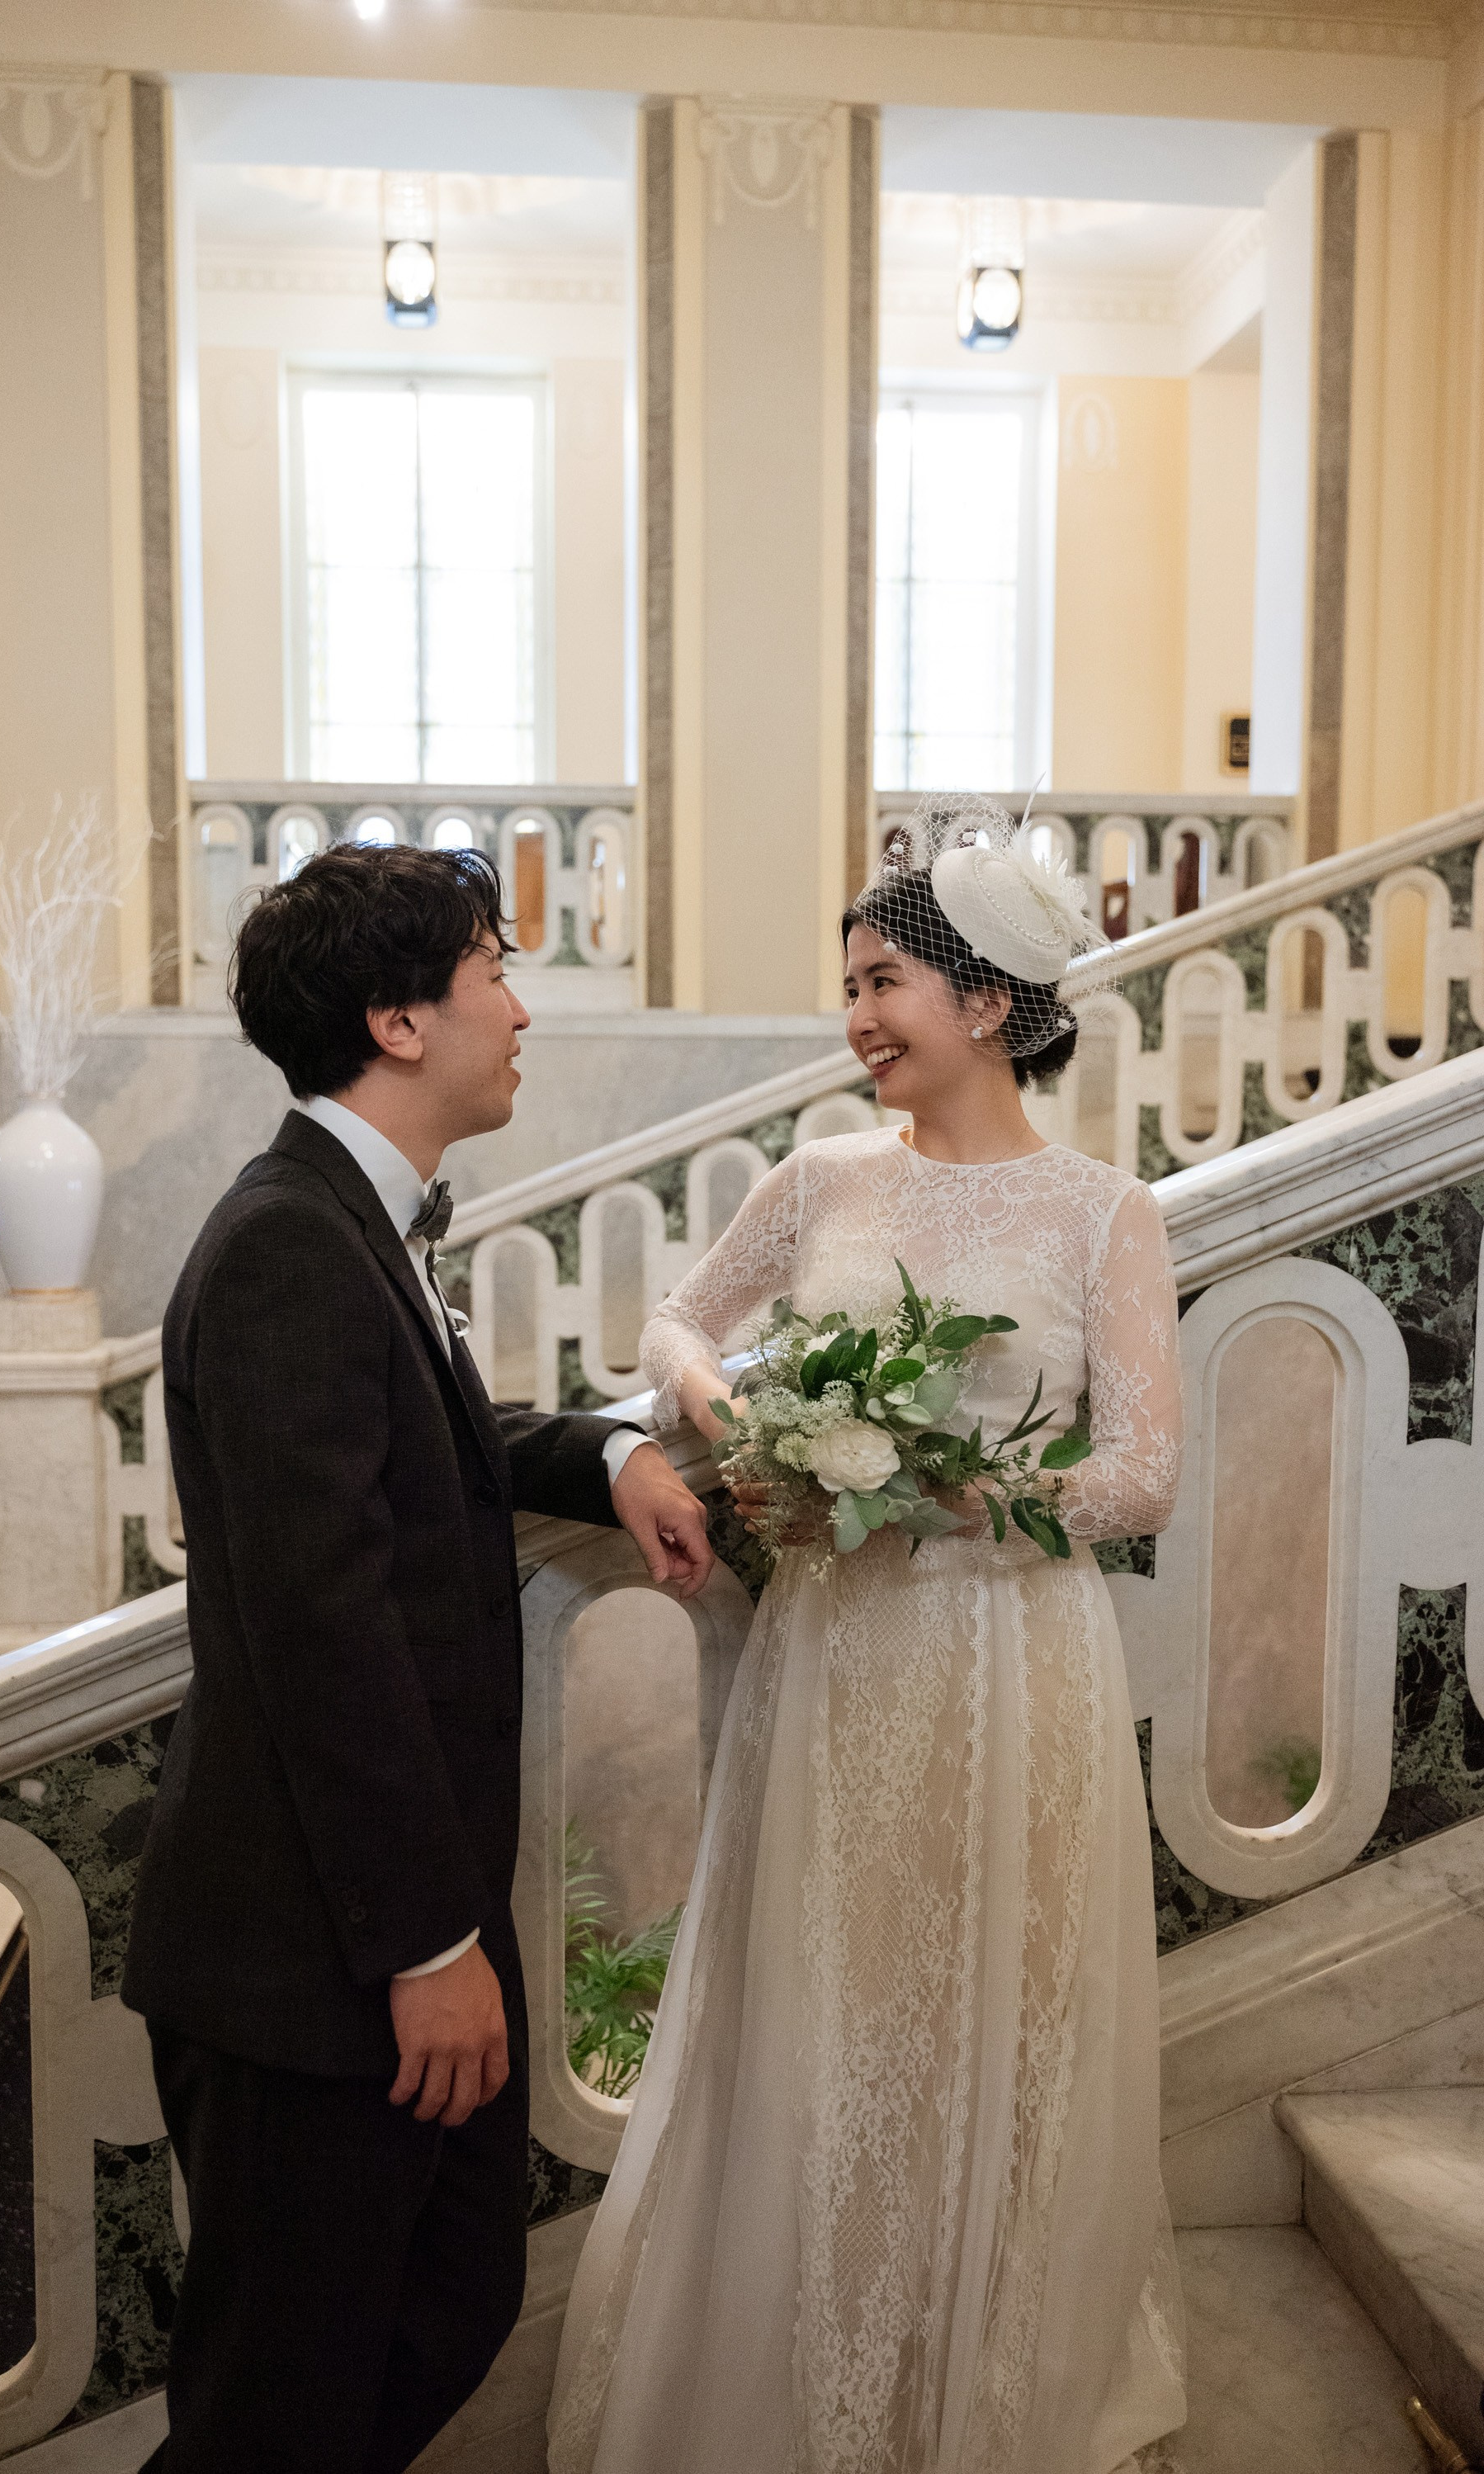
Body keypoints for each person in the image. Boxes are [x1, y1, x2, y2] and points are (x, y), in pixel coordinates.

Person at [549, 803, 1188, 2474]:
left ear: (986, 999)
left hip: (1014, 1666)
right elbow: (674, 1319)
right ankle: (805, 2361)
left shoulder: (1104, 1211)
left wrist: (935, 1487)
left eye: (883, 980)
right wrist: (733, 1418)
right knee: (829, 2009)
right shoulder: (821, 1176)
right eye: (848, 985)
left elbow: (1140, 1474)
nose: (857, 1016)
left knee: (996, 2015)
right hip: (836, 1662)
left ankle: (970, 2369)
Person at [121, 842, 713, 2474]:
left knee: (448, 2296)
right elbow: (321, 1628)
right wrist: (426, 1941)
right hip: (312, 1954)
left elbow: (427, 1438)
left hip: (367, 1936)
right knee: (276, 2407)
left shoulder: (342, 1224)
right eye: (493, 974)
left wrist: (605, 1452)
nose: (520, 1011)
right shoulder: (287, 1246)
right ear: (397, 1021)